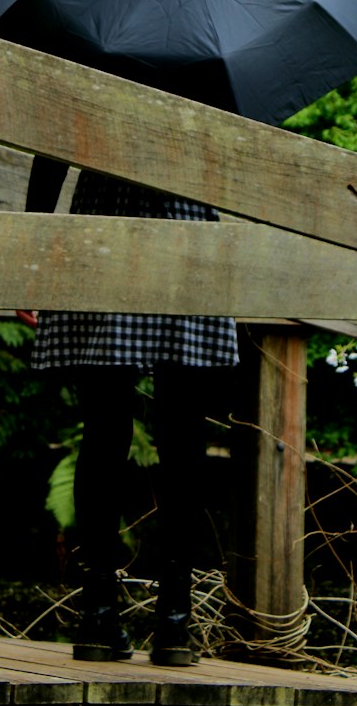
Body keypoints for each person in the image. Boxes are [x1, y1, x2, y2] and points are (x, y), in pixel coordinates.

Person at [25, 154, 239, 667]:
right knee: (182, 437)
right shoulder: (212, 73)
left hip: (104, 216)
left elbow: (51, 141)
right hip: (185, 217)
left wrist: (30, 252)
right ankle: (174, 625)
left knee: (103, 431)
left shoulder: (97, 67)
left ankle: (98, 616)